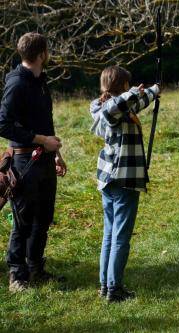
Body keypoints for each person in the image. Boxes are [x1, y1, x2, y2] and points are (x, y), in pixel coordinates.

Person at [0, 32, 67, 292]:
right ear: (42, 54)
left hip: (46, 158)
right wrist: (40, 140)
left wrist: (57, 153)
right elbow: (3, 124)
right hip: (24, 161)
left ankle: (36, 269)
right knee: (23, 221)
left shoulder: (41, 81)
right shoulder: (17, 84)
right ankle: (17, 276)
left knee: (43, 217)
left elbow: (46, 122)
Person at [89, 65, 159, 303]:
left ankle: (106, 285)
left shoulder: (119, 107)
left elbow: (135, 104)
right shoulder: (104, 108)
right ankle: (113, 288)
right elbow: (115, 108)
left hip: (111, 179)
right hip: (122, 180)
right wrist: (134, 93)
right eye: (127, 85)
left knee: (111, 235)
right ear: (121, 87)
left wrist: (153, 91)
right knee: (118, 237)